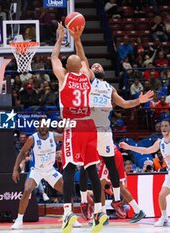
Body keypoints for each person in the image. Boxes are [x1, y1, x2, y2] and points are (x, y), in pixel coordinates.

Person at [78, 63, 153, 222]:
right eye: (94, 66)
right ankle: (133, 208)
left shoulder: (109, 88)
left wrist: (139, 100)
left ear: (104, 72)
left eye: (99, 65)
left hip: (103, 136)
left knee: (100, 180)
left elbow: (125, 104)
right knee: (106, 180)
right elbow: (82, 60)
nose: (97, 66)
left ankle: (102, 211)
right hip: (95, 133)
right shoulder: (89, 82)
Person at [51, 22, 106, 233]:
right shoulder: (86, 76)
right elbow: (83, 59)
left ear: (67, 67)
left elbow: (54, 58)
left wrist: (59, 38)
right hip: (89, 125)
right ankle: (99, 212)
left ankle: (67, 213)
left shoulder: (63, 77)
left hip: (72, 126)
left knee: (69, 168)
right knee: (91, 168)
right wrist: (77, 39)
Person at [11, 121, 81, 229]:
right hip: (37, 170)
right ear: (38, 127)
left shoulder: (54, 136)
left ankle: (70, 216)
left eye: (45, 126)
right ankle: (19, 220)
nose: (43, 128)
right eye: (41, 126)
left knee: (67, 191)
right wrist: (15, 170)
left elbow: (69, 138)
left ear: (48, 127)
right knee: (26, 190)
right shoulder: (32, 139)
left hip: (50, 170)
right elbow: (22, 153)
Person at [98, 146, 145, 223]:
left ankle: (103, 216)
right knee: (120, 186)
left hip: (109, 155)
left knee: (100, 186)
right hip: (116, 153)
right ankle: (138, 211)